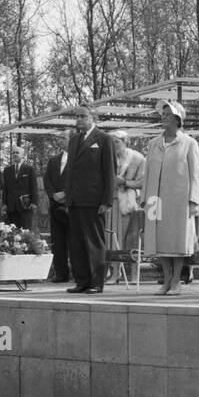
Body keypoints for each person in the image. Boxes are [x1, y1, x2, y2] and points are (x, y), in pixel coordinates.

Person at [141, 101, 199, 296]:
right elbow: (147, 171)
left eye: (168, 114)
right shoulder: (153, 144)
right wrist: (144, 198)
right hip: (155, 200)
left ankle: (177, 279)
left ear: (178, 119)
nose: (163, 117)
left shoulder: (189, 143)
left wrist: (193, 200)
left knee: (177, 241)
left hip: (179, 200)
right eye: (163, 114)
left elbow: (195, 174)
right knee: (158, 241)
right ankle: (167, 278)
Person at [63, 104, 116, 294]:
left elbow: (110, 171)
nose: (78, 119)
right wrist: (68, 196)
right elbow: (70, 171)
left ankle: (96, 282)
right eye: (77, 116)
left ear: (93, 118)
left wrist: (107, 200)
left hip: (94, 200)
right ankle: (82, 281)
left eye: (83, 116)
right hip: (75, 200)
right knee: (77, 243)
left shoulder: (104, 139)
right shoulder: (74, 140)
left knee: (94, 242)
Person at [112, 132, 146, 283]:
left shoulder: (138, 158)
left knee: (132, 239)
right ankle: (115, 273)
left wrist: (124, 182)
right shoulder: (107, 158)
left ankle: (134, 274)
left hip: (131, 202)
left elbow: (142, 182)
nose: (114, 146)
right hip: (111, 203)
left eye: (117, 142)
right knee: (113, 239)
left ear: (125, 142)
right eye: (112, 143)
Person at [43, 140, 70, 283]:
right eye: (60, 139)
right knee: (58, 242)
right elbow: (47, 179)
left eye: (65, 138)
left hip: (71, 206)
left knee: (74, 242)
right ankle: (61, 273)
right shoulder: (53, 160)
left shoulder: (79, 159)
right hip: (55, 207)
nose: (62, 141)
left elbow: (79, 180)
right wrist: (54, 194)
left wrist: (65, 194)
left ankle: (79, 273)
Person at [1, 143, 38, 231]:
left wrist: (34, 202)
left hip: (25, 205)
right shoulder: (7, 170)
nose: (15, 154)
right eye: (13, 153)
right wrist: (4, 203)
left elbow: (33, 187)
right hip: (11, 206)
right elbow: (5, 188)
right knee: (12, 232)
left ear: (23, 155)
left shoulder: (29, 169)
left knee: (25, 232)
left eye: (17, 153)